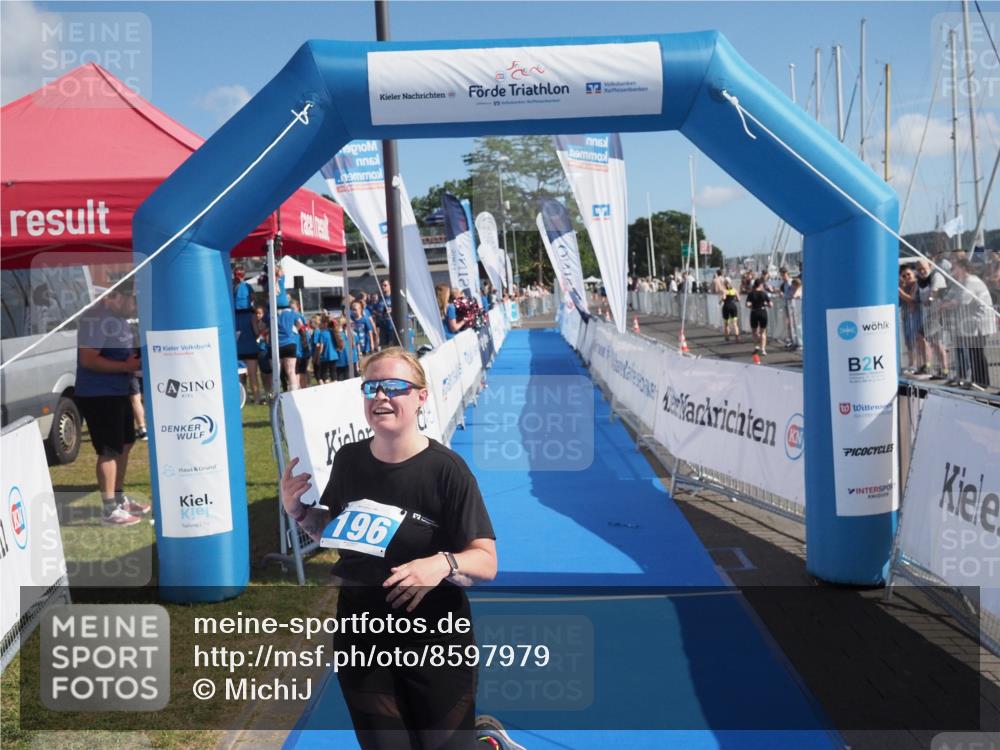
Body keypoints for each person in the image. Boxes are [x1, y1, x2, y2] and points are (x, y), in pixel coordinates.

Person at [280, 347, 499, 750]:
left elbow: (486, 561)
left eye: (395, 387)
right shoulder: (349, 460)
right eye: (372, 387)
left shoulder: (447, 471)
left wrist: (441, 564)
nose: (381, 396)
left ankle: (486, 742)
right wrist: (299, 512)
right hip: (362, 636)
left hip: (435, 640)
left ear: (420, 397)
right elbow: (334, 533)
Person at [74, 281, 150, 526]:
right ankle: (109, 510)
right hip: (98, 395)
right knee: (109, 450)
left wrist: (132, 361)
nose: (136, 306)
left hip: (119, 391)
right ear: (119, 296)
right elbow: (88, 360)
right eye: (134, 300)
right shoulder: (97, 318)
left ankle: (118, 499)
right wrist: (126, 366)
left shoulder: (119, 319)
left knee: (126, 443)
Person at [233, 265, 262, 404]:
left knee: (243, 376)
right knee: (251, 375)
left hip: (240, 347)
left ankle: (248, 400)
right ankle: (254, 399)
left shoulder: (233, 316)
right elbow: (257, 333)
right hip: (248, 346)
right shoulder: (251, 316)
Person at [745, 278, 772, 355]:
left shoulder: (751, 293)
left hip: (754, 312)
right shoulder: (764, 293)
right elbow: (771, 305)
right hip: (763, 312)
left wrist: (753, 306)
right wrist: (765, 304)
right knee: (763, 332)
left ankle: (756, 346)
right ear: (760, 285)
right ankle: (763, 350)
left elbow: (747, 304)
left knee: (754, 331)